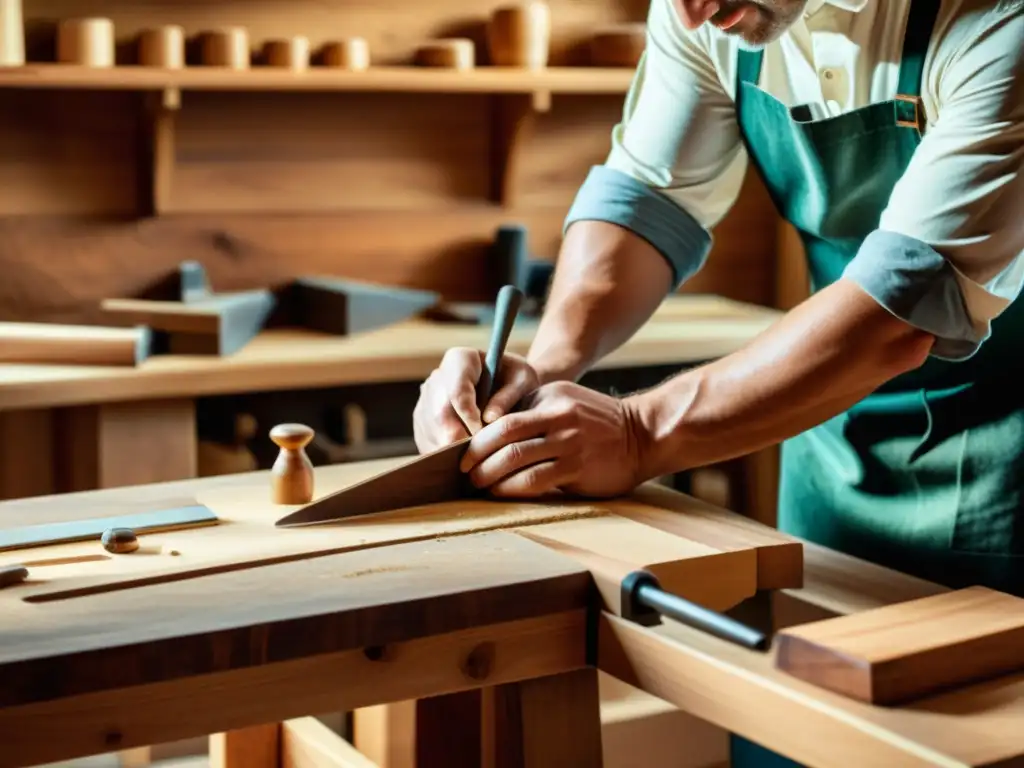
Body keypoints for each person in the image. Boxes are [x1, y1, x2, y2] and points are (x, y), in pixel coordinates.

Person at [414, 0, 1022, 757]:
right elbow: (649, 198)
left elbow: (902, 306)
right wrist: (545, 363)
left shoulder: (1001, 24)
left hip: (1009, 482)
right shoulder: (710, 12)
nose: (691, 8)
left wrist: (637, 434)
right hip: (833, 452)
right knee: (794, 735)